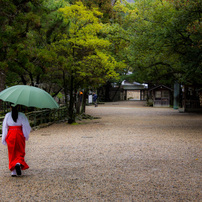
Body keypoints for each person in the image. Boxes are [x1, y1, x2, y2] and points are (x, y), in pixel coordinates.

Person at [2, 104, 31, 177]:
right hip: (19, 133)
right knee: (20, 150)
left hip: (11, 133)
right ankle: (18, 163)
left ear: (10, 107)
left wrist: (4, 138)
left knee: (12, 152)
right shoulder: (22, 115)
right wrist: (25, 135)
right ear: (18, 106)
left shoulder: (7, 115)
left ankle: (13, 171)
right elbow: (26, 126)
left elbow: (5, 127)